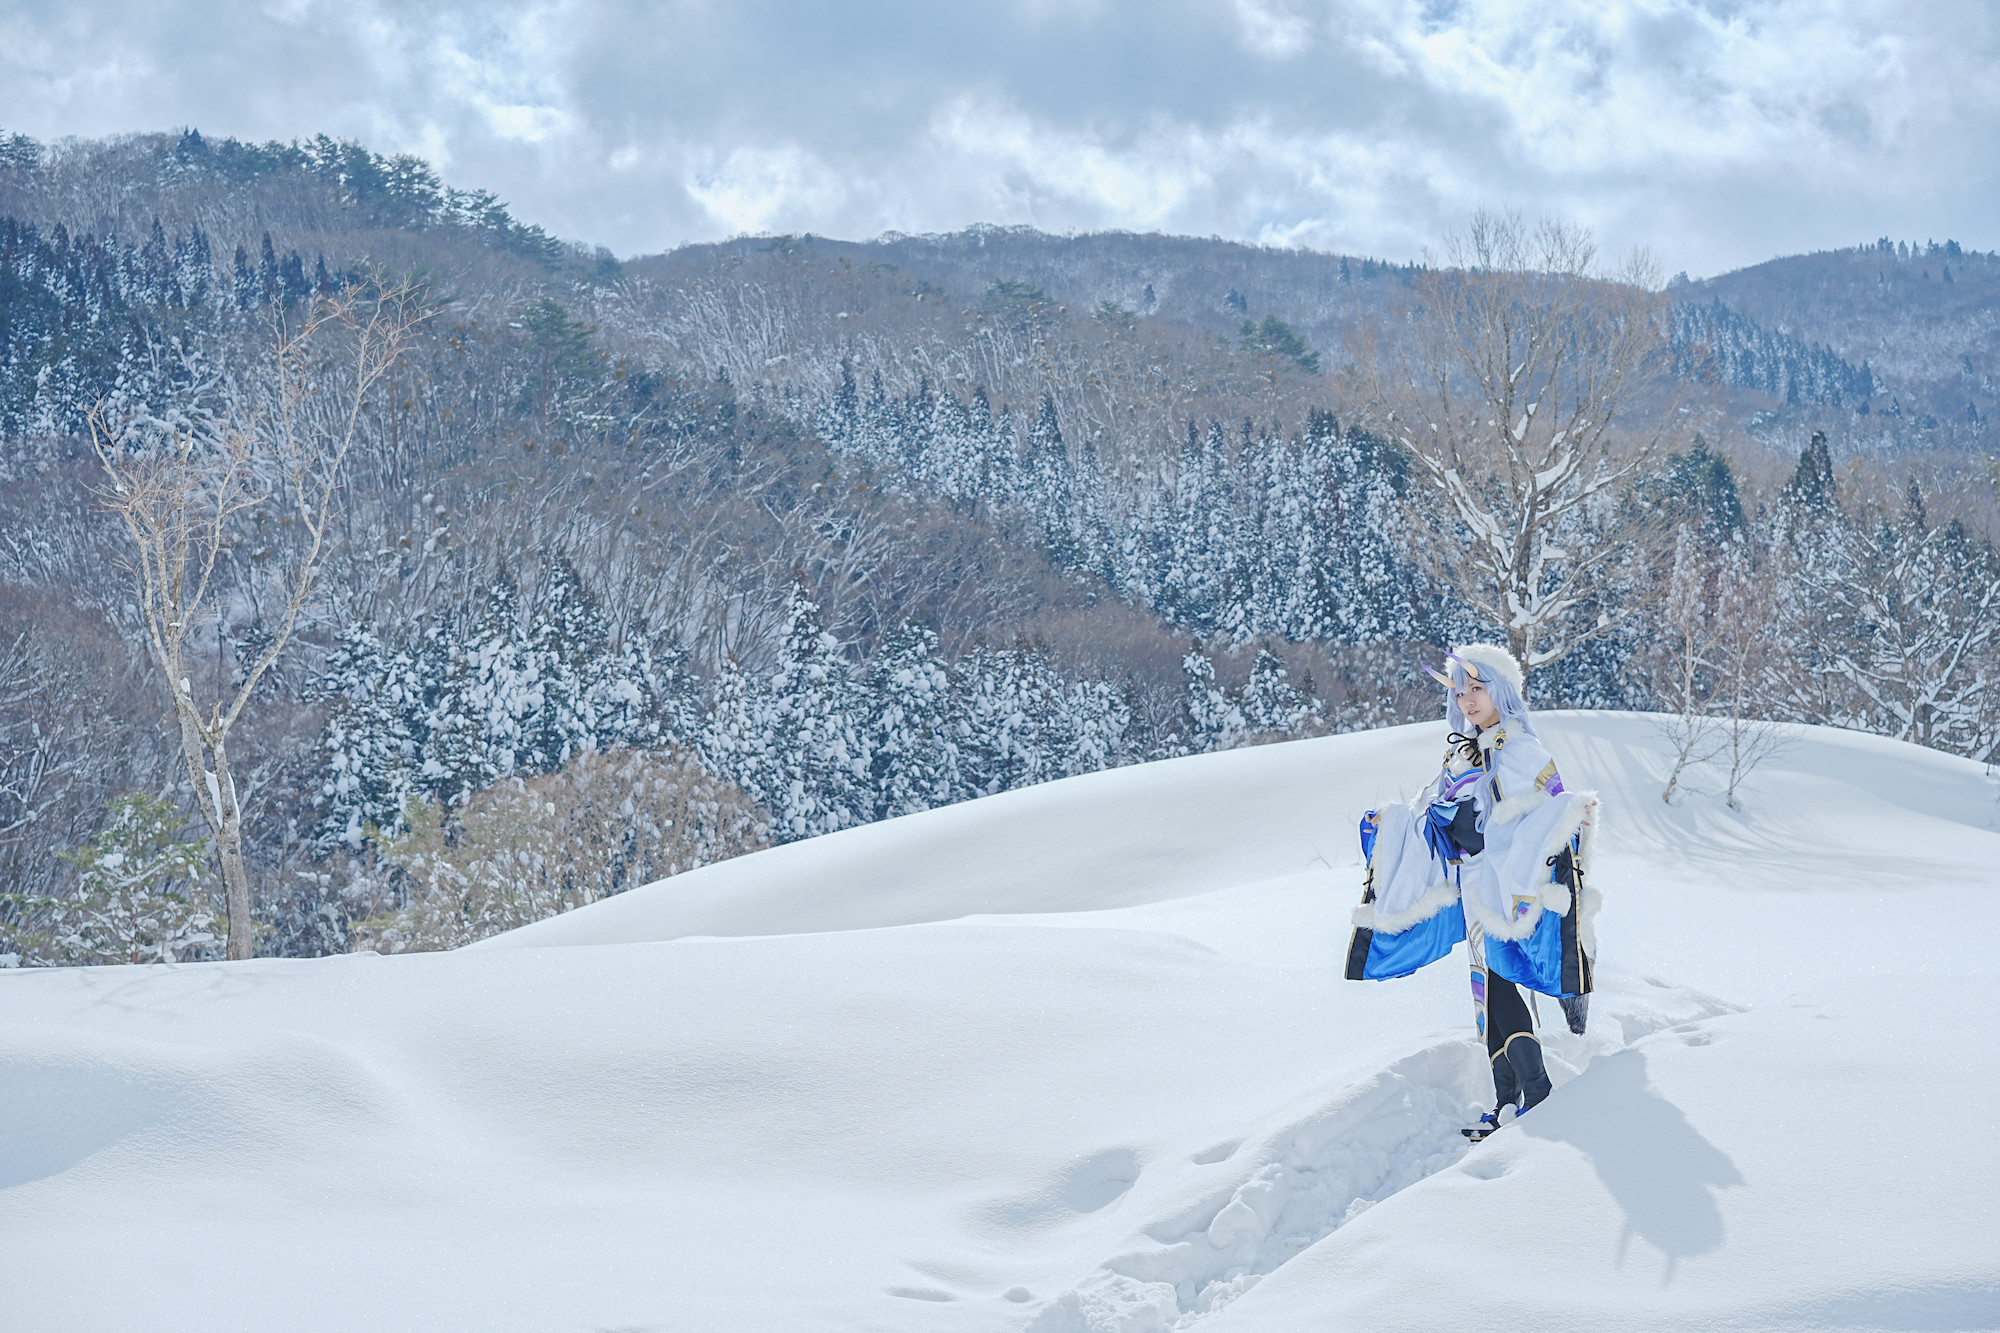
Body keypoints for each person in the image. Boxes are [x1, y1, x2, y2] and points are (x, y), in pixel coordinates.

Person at [1344, 643, 1599, 1141]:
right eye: (1460, 692)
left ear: (1502, 691)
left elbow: (1547, 814)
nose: (1467, 700)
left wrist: (1490, 826)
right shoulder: (1462, 752)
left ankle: (1537, 1092)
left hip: (1505, 888)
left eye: (1477, 689)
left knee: (1500, 986)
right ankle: (1507, 1101)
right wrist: (1396, 821)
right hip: (1472, 889)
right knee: (1486, 990)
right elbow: (1426, 809)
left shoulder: (1522, 750)